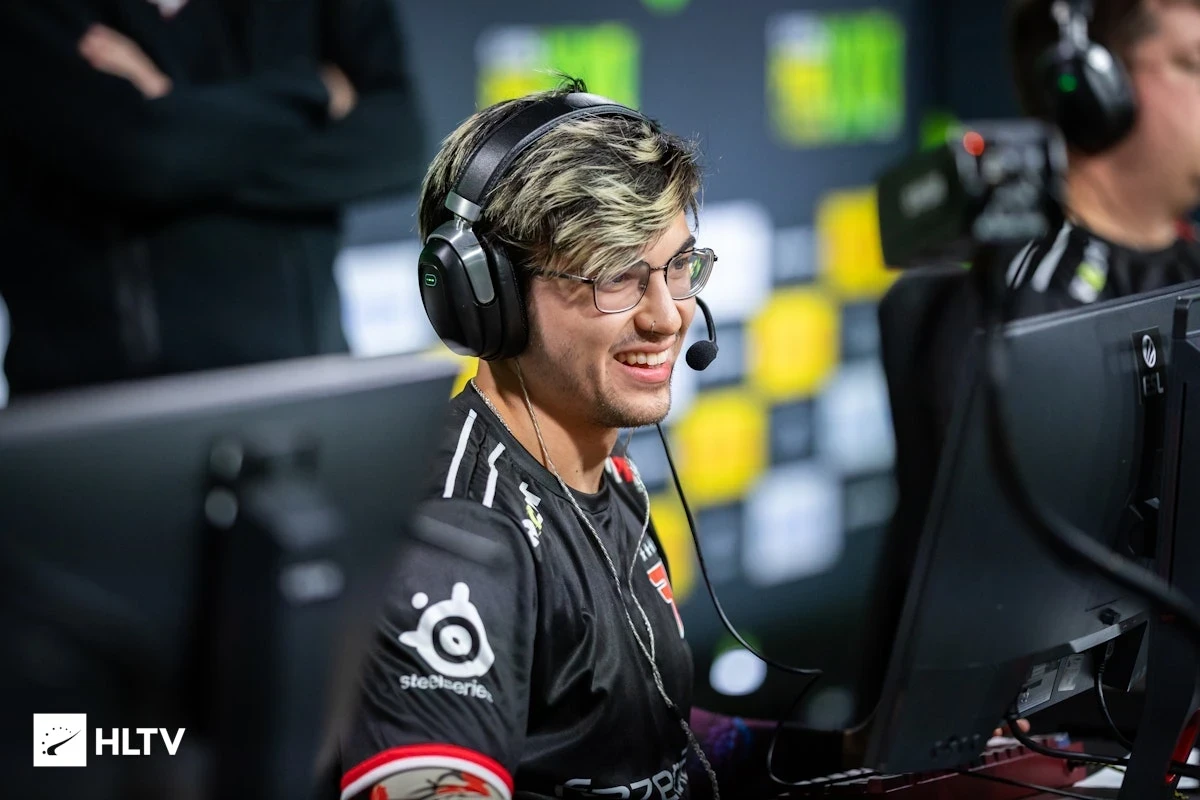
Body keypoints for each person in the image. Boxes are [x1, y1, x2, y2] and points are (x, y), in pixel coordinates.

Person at [334, 80, 846, 800]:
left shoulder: (606, 474)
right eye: (616, 277)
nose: (667, 317)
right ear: (488, 298)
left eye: (678, 267)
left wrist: (847, 756)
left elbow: (645, 745)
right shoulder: (454, 538)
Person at [0, 0, 424, 398]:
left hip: (306, 389)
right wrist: (315, 89)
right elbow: (146, 157)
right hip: (92, 406)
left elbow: (396, 144)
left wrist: (172, 112)